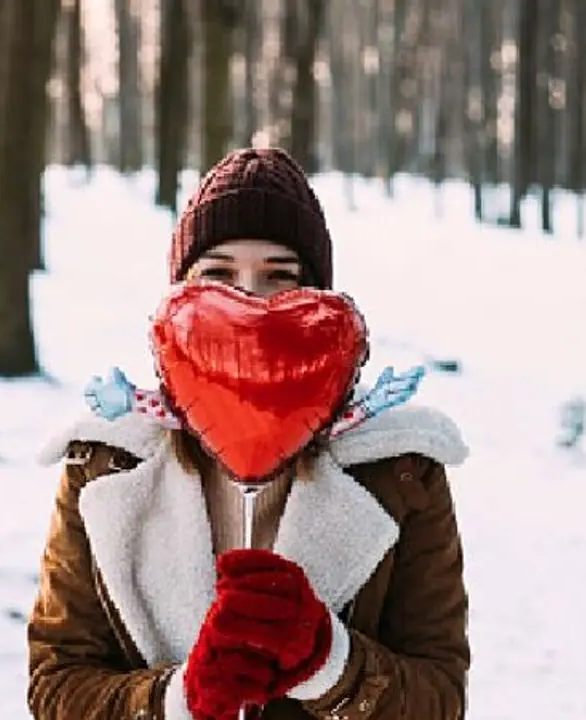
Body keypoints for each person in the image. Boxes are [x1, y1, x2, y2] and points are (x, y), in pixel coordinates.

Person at [28, 147, 470, 719]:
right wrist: (176, 700)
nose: (250, 300)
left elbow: (441, 695)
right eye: (218, 274)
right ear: (179, 291)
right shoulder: (105, 464)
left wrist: (331, 664)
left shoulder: (400, 471)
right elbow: (57, 684)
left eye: (279, 276)